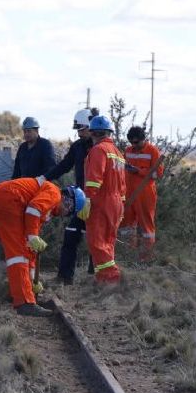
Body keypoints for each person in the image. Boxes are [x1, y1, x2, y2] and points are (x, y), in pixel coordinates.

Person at [0, 176, 89, 317]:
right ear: (68, 201)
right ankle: (24, 303)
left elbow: (30, 248)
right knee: (18, 254)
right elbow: (33, 210)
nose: (65, 214)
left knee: (19, 251)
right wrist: (33, 236)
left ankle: (21, 293)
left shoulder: (45, 204)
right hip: (8, 200)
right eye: (69, 209)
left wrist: (32, 281)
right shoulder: (54, 193)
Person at [44, 108, 99, 284]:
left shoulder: (101, 148)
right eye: (78, 130)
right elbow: (64, 166)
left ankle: (96, 279)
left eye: (82, 129)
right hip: (81, 201)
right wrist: (44, 178)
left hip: (99, 202)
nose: (79, 133)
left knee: (96, 240)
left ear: (91, 127)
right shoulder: (77, 147)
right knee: (71, 236)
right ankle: (64, 277)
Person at [84, 115, 127, 284]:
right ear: (109, 133)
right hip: (116, 203)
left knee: (97, 242)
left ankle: (111, 279)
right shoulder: (118, 154)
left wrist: (87, 199)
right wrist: (121, 206)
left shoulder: (98, 150)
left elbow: (94, 179)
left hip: (101, 202)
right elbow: (123, 185)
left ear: (93, 133)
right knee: (108, 243)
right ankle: (104, 280)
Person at [123, 126, 164, 261]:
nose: (134, 145)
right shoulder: (128, 150)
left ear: (143, 139)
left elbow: (158, 174)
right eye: (131, 142)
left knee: (146, 227)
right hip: (128, 193)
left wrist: (138, 171)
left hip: (145, 193)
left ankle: (146, 259)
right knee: (127, 226)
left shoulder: (153, 151)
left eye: (137, 142)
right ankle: (128, 255)